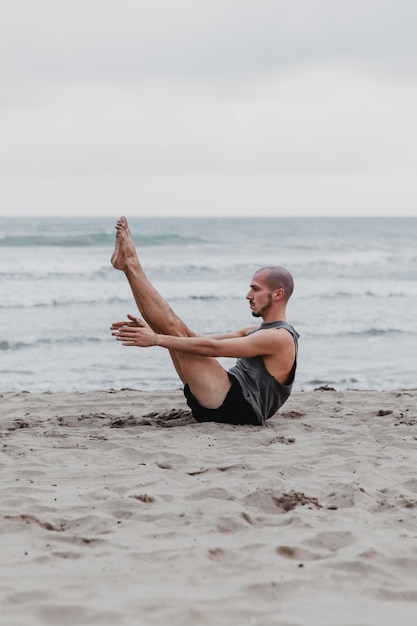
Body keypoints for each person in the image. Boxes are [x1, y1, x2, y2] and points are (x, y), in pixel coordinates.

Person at [110, 216, 299, 426]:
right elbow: (195, 337)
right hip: (222, 397)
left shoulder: (280, 338)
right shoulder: (253, 331)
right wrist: (156, 330)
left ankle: (131, 264)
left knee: (176, 333)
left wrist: (156, 339)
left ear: (278, 294)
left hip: (238, 409)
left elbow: (211, 348)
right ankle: (128, 266)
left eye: (255, 289)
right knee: (178, 332)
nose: (248, 295)